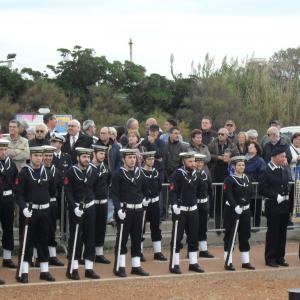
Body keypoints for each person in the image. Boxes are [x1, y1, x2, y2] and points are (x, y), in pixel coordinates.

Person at [15, 146, 56, 283]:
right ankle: (24, 271)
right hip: (29, 212)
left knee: (43, 240)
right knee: (27, 242)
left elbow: (52, 191)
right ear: (31, 157)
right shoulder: (24, 173)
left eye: (40, 156)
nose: (39, 158)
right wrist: (24, 208)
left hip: (44, 211)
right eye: (36, 156)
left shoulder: (48, 172)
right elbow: (19, 194)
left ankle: (44, 271)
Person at [111, 149, 149, 277]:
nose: (132, 160)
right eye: (130, 157)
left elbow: (145, 189)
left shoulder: (140, 173)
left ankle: (136, 266)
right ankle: (120, 266)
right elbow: (114, 195)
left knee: (137, 238)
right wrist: (118, 209)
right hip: (125, 211)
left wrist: (146, 198)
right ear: (123, 159)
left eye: (134, 157)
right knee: (122, 239)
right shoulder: (118, 174)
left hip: (138, 210)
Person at [64, 147, 100, 280]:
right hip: (76, 209)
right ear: (78, 157)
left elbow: (95, 187)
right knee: (76, 238)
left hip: (90, 208)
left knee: (90, 237)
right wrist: (74, 207)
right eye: (84, 157)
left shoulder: (93, 171)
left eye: (88, 157)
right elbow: (68, 192)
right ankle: (73, 268)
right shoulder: (71, 171)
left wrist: (90, 202)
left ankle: (89, 268)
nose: (86, 159)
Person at [169, 152, 205, 274]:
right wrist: (174, 205)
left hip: (193, 210)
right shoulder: (178, 174)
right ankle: (175, 264)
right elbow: (173, 191)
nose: (193, 163)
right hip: (181, 210)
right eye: (190, 161)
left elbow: (201, 191)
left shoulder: (197, 175)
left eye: (194, 161)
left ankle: (193, 263)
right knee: (177, 238)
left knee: (193, 237)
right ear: (184, 162)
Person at [259, 146, 290, 268]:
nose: (284, 158)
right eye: (282, 156)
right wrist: (275, 195)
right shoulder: (266, 170)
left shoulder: (283, 168)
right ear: (275, 156)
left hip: (284, 206)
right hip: (273, 206)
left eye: (284, 156)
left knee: (282, 233)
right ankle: (270, 258)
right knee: (273, 233)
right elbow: (262, 189)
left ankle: (280, 257)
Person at [223, 156, 255, 271]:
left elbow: (250, 192)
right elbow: (228, 194)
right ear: (234, 167)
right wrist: (235, 206)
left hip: (245, 211)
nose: (241, 167)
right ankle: (228, 261)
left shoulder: (247, 178)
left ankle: (245, 261)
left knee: (245, 235)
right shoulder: (229, 179)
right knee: (230, 235)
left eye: (243, 165)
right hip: (232, 211)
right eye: (239, 165)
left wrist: (244, 204)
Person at [208, 128, 238, 230]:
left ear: (227, 136)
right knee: (217, 200)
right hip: (216, 173)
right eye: (219, 133)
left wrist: (229, 159)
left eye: (222, 134)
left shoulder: (232, 145)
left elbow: (237, 156)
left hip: (228, 174)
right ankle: (217, 225)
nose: (220, 136)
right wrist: (218, 157)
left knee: (227, 199)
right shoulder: (212, 143)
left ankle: (226, 225)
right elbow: (208, 155)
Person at [140, 151, 167, 262]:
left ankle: (157, 252)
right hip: (144, 204)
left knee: (156, 227)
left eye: (152, 159)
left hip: (155, 203)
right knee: (141, 228)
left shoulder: (156, 172)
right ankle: (139, 251)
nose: (151, 161)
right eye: (149, 159)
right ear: (144, 160)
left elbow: (159, 187)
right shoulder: (140, 172)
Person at [41, 145, 64, 267]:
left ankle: (53, 255)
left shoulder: (57, 171)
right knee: (40, 229)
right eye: (46, 155)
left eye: (50, 155)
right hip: (40, 204)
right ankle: (38, 255)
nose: (48, 158)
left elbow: (60, 187)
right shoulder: (38, 170)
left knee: (52, 229)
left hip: (53, 203)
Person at [90, 145, 111, 264]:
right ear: (94, 153)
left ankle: (99, 253)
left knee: (101, 228)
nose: (102, 156)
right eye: (100, 153)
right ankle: (88, 252)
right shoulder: (89, 168)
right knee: (89, 228)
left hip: (103, 203)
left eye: (104, 154)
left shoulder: (106, 168)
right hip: (92, 203)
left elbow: (108, 182)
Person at [0, 139, 18, 269]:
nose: (3, 152)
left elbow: (15, 181)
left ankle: (7, 257)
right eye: (1, 149)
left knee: (8, 228)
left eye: (5, 149)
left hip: (7, 200)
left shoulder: (11, 163)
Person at [194, 153, 214, 258]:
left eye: (201, 162)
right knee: (193, 228)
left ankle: (203, 249)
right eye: (197, 162)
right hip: (194, 205)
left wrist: (209, 203)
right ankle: (192, 249)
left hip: (204, 204)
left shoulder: (206, 174)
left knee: (203, 227)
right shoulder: (191, 174)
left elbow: (210, 189)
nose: (199, 164)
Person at [245, 142, 266, 229]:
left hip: (256, 190)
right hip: (245, 189)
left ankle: (256, 227)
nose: (250, 148)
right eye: (249, 147)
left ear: (256, 149)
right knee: (247, 210)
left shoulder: (260, 161)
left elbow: (263, 174)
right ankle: (246, 227)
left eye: (252, 147)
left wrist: (254, 180)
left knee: (256, 210)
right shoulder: (244, 159)